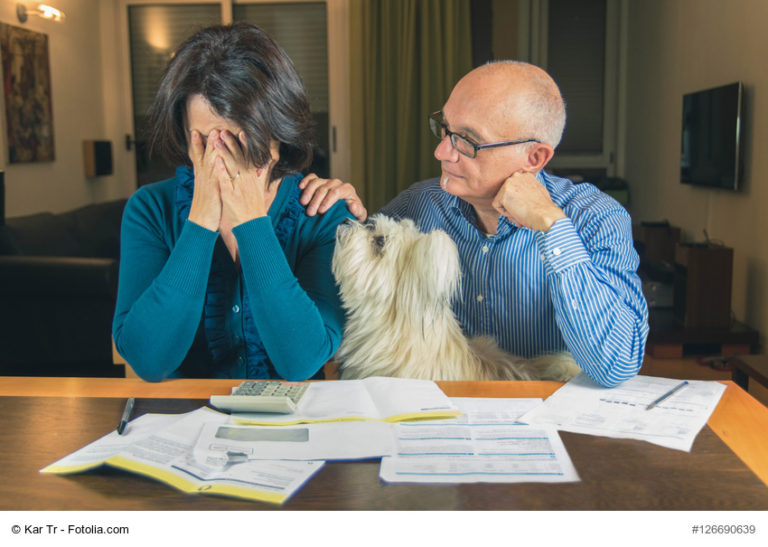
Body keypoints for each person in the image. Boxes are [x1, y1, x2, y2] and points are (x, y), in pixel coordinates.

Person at [300, 60, 649, 388]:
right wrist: (337, 214)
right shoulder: (419, 205)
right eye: (445, 129)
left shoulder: (596, 219)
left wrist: (552, 227)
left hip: (548, 421)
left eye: (467, 141)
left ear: (535, 158)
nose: (441, 153)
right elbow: (344, 282)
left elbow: (615, 366)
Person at [112, 24, 353, 382]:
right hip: (183, 425)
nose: (226, 159)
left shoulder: (321, 211)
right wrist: (199, 223)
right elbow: (149, 362)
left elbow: (301, 361)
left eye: (243, 142)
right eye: (209, 141)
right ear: (185, 135)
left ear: (279, 130)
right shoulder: (149, 210)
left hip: (290, 427)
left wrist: (253, 223)